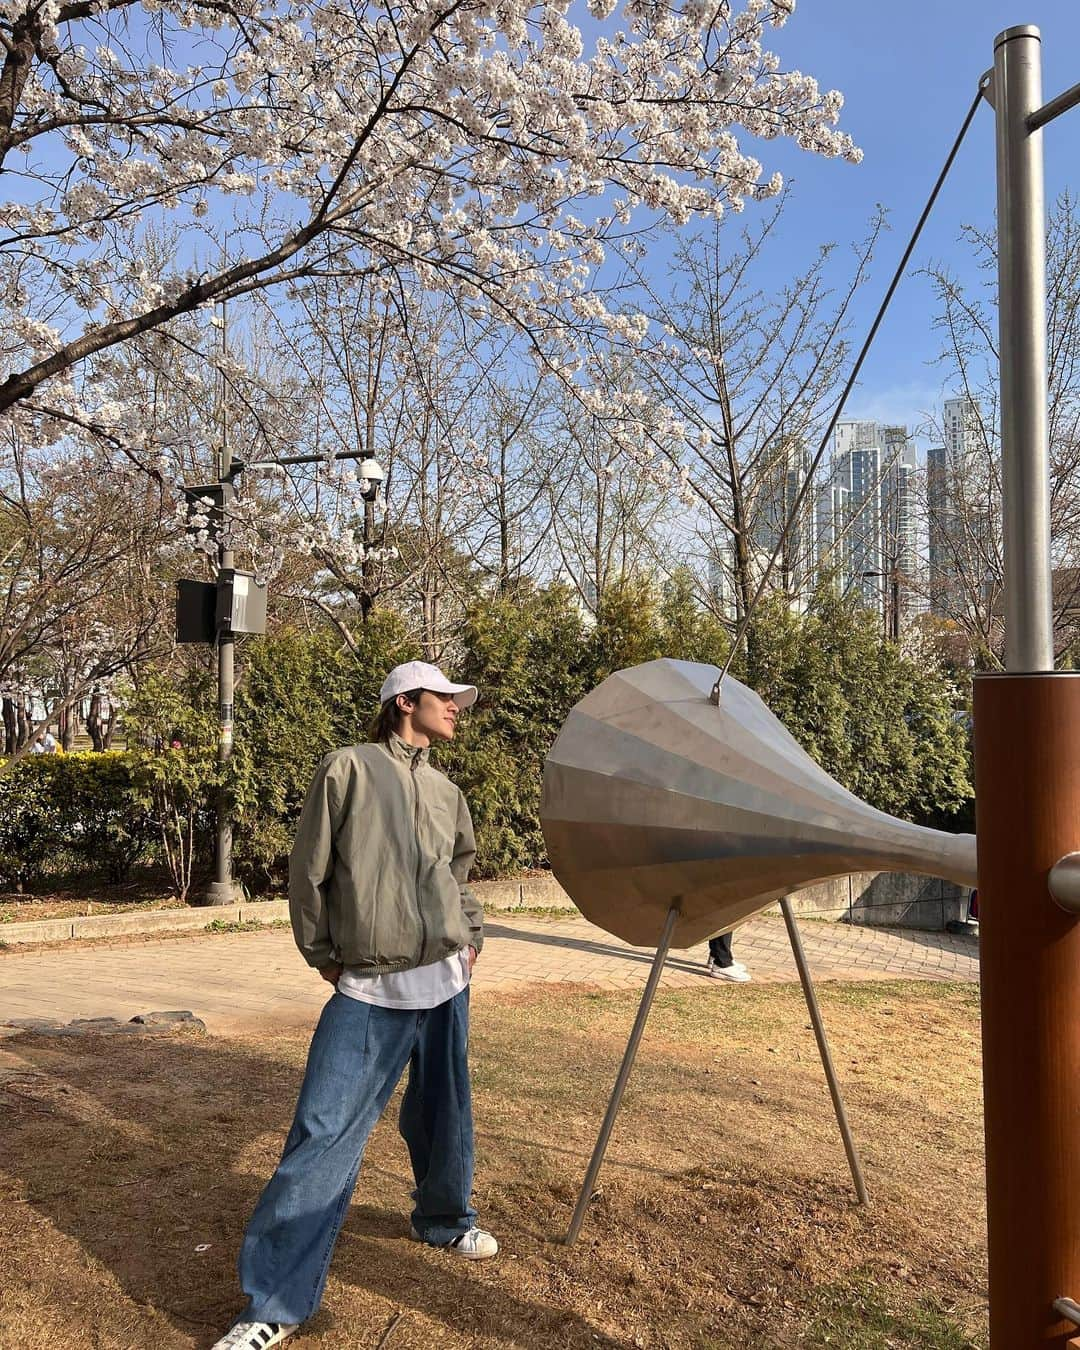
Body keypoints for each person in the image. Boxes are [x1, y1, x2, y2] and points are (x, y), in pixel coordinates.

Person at [213, 661, 496, 1350]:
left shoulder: (445, 789)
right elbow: (309, 868)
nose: (456, 708)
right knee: (324, 1131)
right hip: (371, 985)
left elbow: (459, 871)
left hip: (447, 983)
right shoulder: (348, 769)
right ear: (405, 703)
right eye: (444, 698)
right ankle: (274, 1303)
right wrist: (324, 953)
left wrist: (472, 935)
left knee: (444, 1111)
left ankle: (444, 1219)